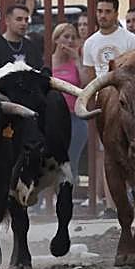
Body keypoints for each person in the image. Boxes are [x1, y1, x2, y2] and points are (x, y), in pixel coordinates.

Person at [50, 22, 88, 186]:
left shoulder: (76, 62)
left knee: (72, 159)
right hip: (54, 118)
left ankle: (69, 196)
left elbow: (86, 85)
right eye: (66, 37)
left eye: (73, 37)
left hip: (75, 117)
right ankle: (49, 199)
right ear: (56, 39)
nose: (70, 41)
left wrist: (77, 59)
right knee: (52, 158)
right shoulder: (48, 61)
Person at [80, 0, 135, 86]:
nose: (103, 16)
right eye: (99, 11)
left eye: (108, 12)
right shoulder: (89, 43)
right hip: (99, 95)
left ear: (116, 14)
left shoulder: (131, 40)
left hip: (123, 95)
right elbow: (90, 78)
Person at [0, 3, 44, 80]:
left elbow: (40, 76)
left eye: (26, 19)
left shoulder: (32, 47)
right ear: (7, 21)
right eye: (19, 19)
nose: (24, 23)